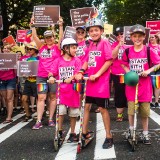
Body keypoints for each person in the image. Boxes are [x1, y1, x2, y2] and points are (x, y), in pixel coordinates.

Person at [75, 18, 113, 149]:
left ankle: (109, 136)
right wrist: (81, 71)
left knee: (102, 109)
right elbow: (86, 60)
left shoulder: (105, 43)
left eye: (96, 30)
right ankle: (84, 133)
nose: (94, 32)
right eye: (91, 30)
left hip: (101, 82)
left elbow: (109, 61)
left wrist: (98, 74)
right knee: (86, 107)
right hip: (90, 81)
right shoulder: (89, 44)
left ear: (101, 31)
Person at [122, 24, 160, 145]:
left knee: (144, 112)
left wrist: (148, 71)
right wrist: (129, 73)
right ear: (131, 37)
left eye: (140, 36)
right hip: (131, 86)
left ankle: (145, 133)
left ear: (144, 37)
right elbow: (123, 63)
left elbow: (158, 64)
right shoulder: (127, 51)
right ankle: (131, 129)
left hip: (145, 87)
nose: (137, 38)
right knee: (131, 111)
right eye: (135, 36)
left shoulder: (149, 50)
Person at [31, 17, 63, 129]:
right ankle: (39, 120)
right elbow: (34, 37)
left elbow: (61, 38)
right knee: (41, 98)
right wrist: (33, 25)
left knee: (53, 96)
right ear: (44, 38)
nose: (49, 39)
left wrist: (60, 26)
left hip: (54, 76)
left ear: (53, 37)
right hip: (41, 76)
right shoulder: (41, 47)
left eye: (50, 37)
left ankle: (50, 119)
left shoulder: (58, 47)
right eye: (46, 37)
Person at [48, 38, 81, 142]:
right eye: (74, 48)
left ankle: (72, 132)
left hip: (73, 91)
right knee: (61, 112)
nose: (76, 50)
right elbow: (51, 72)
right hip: (61, 91)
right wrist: (51, 77)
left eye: (76, 47)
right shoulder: (58, 60)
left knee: (73, 113)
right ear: (66, 48)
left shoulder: (77, 60)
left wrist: (71, 78)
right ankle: (60, 130)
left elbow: (77, 73)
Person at [111, 27, 128, 121]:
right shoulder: (113, 45)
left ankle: (131, 113)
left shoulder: (131, 44)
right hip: (118, 74)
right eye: (117, 34)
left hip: (130, 74)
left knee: (131, 93)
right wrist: (119, 45)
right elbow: (112, 57)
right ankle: (120, 114)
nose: (119, 36)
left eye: (121, 33)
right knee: (119, 93)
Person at [21, 42, 39, 122]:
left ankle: (39, 115)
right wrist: (24, 74)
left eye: (30, 49)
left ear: (35, 50)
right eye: (28, 49)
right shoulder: (27, 59)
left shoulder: (39, 59)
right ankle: (27, 115)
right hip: (28, 81)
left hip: (37, 81)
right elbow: (25, 70)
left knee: (38, 99)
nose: (29, 50)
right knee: (24, 98)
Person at [0, 44, 16, 123]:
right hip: (2, 80)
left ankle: (9, 117)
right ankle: (8, 113)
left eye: (7, 48)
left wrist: (16, 77)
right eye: (4, 48)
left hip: (10, 79)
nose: (6, 49)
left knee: (9, 98)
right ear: (2, 50)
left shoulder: (13, 57)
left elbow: (16, 69)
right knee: (5, 98)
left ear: (10, 50)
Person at [149, 34, 160, 108]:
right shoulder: (147, 46)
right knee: (149, 84)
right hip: (150, 67)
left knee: (157, 85)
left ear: (156, 38)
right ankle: (149, 101)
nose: (151, 39)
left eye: (152, 37)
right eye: (150, 38)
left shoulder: (159, 46)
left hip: (158, 67)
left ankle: (156, 101)